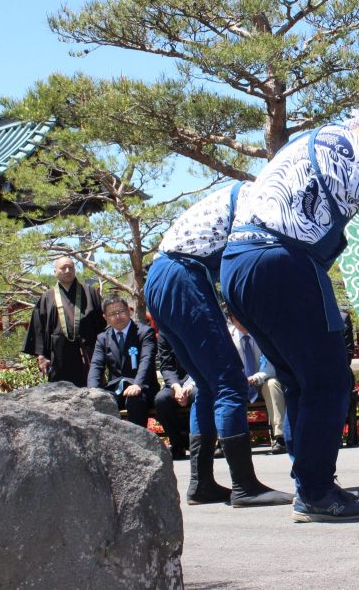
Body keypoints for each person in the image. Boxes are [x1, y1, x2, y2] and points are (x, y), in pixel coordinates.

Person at [220, 109, 359, 521]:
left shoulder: (308, 140)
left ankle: (311, 486)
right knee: (330, 377)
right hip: (282, 261)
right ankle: (315, 491)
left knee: (298, 379)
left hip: (238, 263)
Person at [144, 182, 291, 508]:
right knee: (230, 383)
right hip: (182, 275)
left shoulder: (236, 196)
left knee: (209, 387)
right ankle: (245, 485)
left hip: (159, 278)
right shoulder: (257, 196)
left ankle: (201, 484)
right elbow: (243, 264)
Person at [23, 256, 103, 387]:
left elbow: (102, 323)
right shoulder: (47, 297)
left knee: (91, 389)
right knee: (60, 392)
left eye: (70, 267)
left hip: (86, 352)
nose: (67, 270)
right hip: (58, 355)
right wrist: (41, 356)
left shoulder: (89, 292)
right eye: (63, 268)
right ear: (55, 272)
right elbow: (38, 328)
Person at [87, 295, 159, 428]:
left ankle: (138, 444)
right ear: (105, 317)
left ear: (129, 311)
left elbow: (146, 360)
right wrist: (92, 390)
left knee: (134, 400)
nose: (118, 316)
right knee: (101, 401)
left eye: (121, 311)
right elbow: (96, 365)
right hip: (117, 389)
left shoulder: (144, 332)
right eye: (112, 314)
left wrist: (138, 384)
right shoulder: (103, 338)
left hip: (142, 388)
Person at [229, 316, 288, 455]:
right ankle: (226, 440)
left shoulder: (262, 335)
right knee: (223, 392)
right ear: (231, 319)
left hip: (262, 380)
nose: (242, 322)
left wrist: (256, 378)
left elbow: (272, 365)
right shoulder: (227, 338)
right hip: (238, 384)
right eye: (237, 319)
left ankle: (280, 437)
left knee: (273, 384)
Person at [153, 334, 195, 460]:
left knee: (199, 395)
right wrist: (176, 387)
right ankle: (177, 443)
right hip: (175, 382)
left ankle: (195, 441)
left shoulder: (196, 327)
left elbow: (205, 361)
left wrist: (191, 385)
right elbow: (166, 366)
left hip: (197, 380)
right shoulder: (165, 333)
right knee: (161, 400)